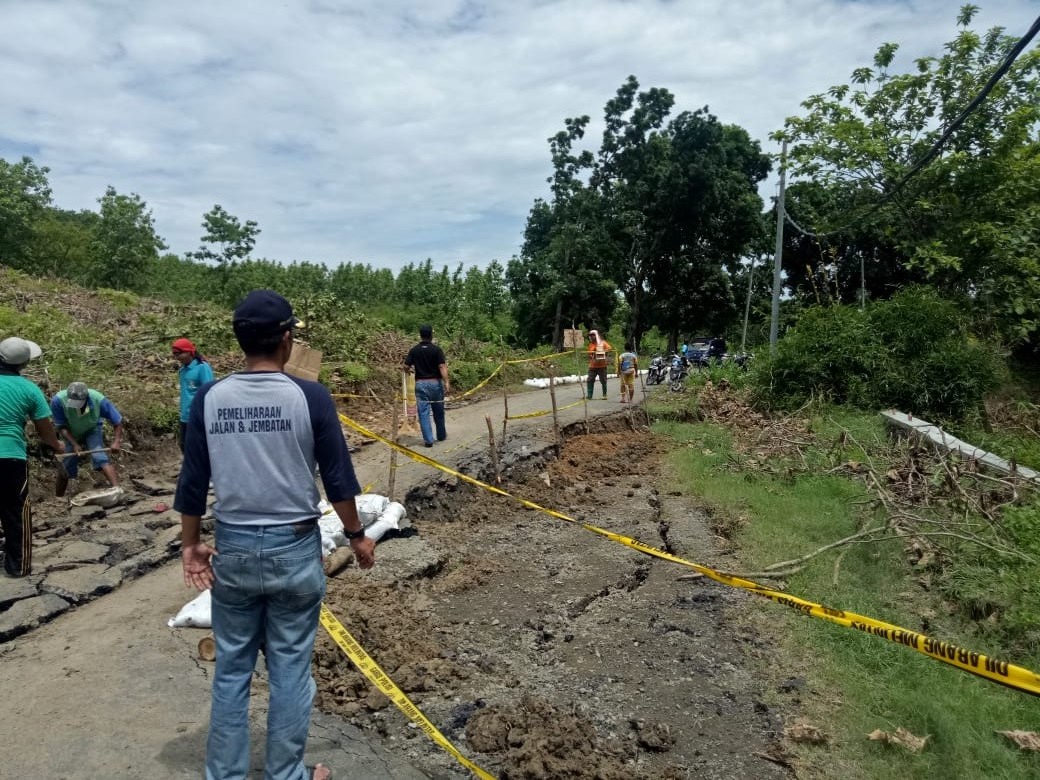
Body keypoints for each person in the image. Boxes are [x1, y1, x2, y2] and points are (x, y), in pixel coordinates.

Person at [175, 289, 374, 780]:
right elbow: (339, 479)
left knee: (232, 672)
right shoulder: (309, 397)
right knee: (289, 671)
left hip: (236, 547)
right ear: (286, 339)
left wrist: (191, 545)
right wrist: (357, 535)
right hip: (294, 549)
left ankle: (225, 775)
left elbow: (192, 482)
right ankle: (288, 775)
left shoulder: (210, 398)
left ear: (239, 341)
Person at [0, 337, 63, 577]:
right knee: (16, 511)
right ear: (23, 364)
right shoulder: (29, 389)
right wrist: (58, 445)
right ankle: (18, 567)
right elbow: (45, 431)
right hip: (10, 457)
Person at [52, 381, 124, 496]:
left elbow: (117, 421)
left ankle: (117, 490)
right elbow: (61, 426)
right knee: (66, 465)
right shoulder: (58, 401)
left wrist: (116, 442)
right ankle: (58, 498)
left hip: (92, 428)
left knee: (99, 456)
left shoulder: (98, 399)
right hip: (71, 432)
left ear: (86, 398)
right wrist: (74, 444)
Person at [403, 324, 449, 448]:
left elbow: (406, 366)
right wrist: (447, 382)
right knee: (438, 411)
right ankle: (441, 435)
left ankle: (428, 440)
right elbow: (442, 366)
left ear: (420, 335)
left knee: (423, 413)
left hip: (420, 384)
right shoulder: (437, 350)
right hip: (435, 383)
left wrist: (409, 371)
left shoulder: (414, 350)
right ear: (431, 335)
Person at [172, 337, 214, 453]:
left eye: (179, 353)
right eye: (174, 354)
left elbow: (209, 391)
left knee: (198, 448)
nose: (177, 357)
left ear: (189, 352)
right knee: (184, 446)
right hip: (185, 416)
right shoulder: (183, 370)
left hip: (198, 415)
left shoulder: (202, 368)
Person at [586, 329, 612, 400]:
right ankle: (589, 395)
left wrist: (602, 351)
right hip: (592, 366)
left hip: (602, 365)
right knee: (590, 380)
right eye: (590, 336)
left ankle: (604, 395)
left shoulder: (603, 343)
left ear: (596, 335)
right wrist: (592, 354)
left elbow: (609, 348)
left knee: (603, 380)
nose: (591, 337)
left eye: (592, 335)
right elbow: (589, 354)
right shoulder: (591, 345)